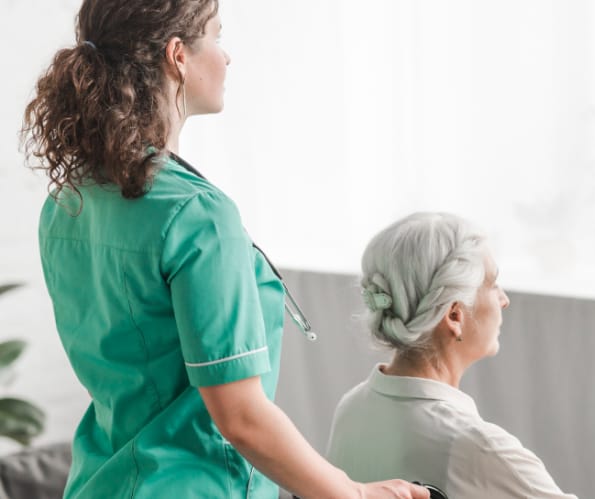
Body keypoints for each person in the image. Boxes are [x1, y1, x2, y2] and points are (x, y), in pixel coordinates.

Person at [20, 1, 429, 498]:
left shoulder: (69, 201)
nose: (228, 57)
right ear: (178, 56)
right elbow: (240, 417)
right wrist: (355, 493)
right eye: (216, 36)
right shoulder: (197, 215)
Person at [326, 212, 578, 498]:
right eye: (493, 284)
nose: (504, 300)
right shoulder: (480, 447)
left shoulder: (352, 407)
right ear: (455, 315)